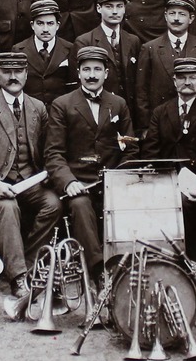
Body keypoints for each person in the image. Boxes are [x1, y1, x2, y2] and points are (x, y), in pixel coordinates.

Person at [0, 51, 63, 301]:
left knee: (52, 204)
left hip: (29, 181)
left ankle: (27, 262)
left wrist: (46, 175)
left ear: (26, 74)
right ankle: (19, 278)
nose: (13, 77)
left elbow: (46, 148)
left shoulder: (38, 107)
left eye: (18, 72)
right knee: (8, 208)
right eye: (7, 72)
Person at [45, 45, 138, 280]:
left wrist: (120, 178)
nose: (92, 75)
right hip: (80, 184)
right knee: (79, 205)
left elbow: (131, 148)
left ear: (106, 73)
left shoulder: (119, 104)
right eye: (86, 69)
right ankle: (100, 271)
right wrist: (68, 183)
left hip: (112, 182)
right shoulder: (62, 104)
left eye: (98, 69)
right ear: (78, 73)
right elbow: (54, 153)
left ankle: (129, 268)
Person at [141, 57, 196, 260]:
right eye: (182, 77)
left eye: (193, 77)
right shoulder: (160, 112)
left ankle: (195, 257)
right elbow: (151, 150)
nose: (187, 82)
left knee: (188, 202)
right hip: (167, 177)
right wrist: (159, 181)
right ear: (174, 81)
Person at [135, 0, 196, 130]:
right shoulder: (150, 48)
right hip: (161, 122)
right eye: (172, 13)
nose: (176, 19)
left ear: (191, 18)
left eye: (182, 14)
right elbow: (141, 92)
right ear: (165, 16)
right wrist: (146, 126)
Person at [74, 0, 140, 107]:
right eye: (109, 7)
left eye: (119, 6)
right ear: (99, 8)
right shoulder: (85, 41)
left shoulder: (133, 40)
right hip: (98, 106)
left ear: (125, 8)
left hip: (129, 108)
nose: (115, 11)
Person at [13, 0, 76, 106]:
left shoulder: (69, 48)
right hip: (30, 110)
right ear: (32, 25)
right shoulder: (19, 49)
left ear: (57, 25)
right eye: (40, 23)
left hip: (60, 111)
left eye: (50, 23)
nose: (45, 29)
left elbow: (73, 85)